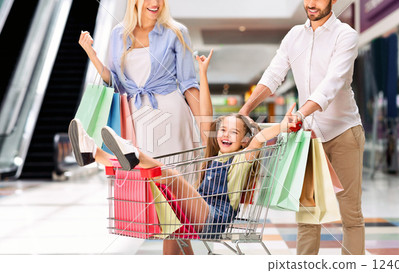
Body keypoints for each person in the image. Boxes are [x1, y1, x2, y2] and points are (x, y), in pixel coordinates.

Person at [69, 50, 298, 254]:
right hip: (199, 211)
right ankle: (96, 153)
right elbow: (206, 114)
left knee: (174, 177)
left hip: (213, 219)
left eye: (234, 133)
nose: (225, 135)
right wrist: (202, 73)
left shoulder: (242, 159)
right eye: (223, 130)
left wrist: (284, 125)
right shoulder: (214, 154)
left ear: (245, 141)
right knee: (170, 224)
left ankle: (133, 154)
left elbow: (259, 138)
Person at [239, 0, 365, 255]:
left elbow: (332, 83)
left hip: (344, 132)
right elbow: (274, 75)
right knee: (307, 215)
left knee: (350, 214)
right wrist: (245, 110)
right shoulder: (294, 36)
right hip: (308, 137)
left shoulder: (345, 35)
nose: (311, 3)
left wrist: (300, 114)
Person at [77, 0, 201, 165]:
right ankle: (94, 151)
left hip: (172, 115)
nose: (155, 3)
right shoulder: (118, 33)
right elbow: (116, 84)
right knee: (139, 179)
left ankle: (94, 152)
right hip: (134, 118)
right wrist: (92, 55)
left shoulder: (176, 32)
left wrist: (206, 130)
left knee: (173, 178)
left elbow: (189, 85)